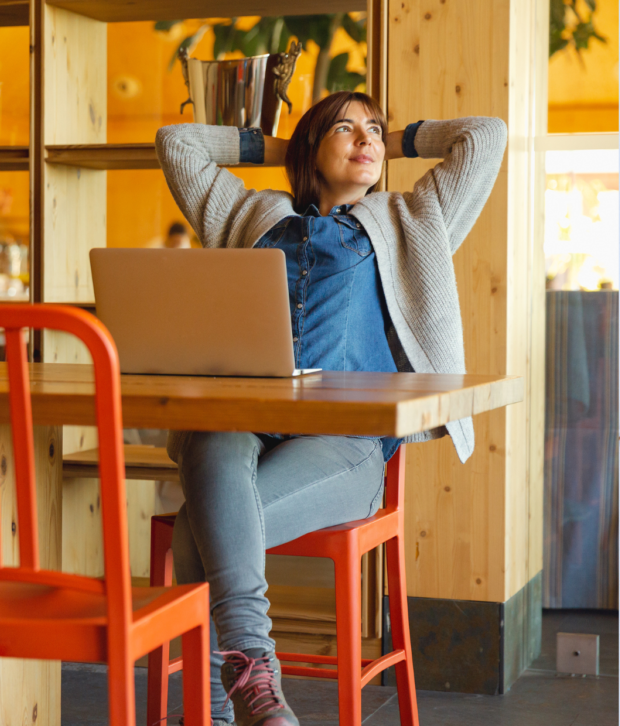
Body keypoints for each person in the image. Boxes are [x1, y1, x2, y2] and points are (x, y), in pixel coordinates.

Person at [154, 92, 507, 726]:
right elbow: (176, 143)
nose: (365, 138)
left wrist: (391, 139)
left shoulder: (411, 219)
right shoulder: (248, 215)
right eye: (345, 129)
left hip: (347, 445)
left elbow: (485, 134)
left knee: (195, 527)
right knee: (210, 438)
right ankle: (248, 678)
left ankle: (212, 707)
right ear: (311, 148)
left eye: (372, 128)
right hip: (247, 427)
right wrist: (281, 145)